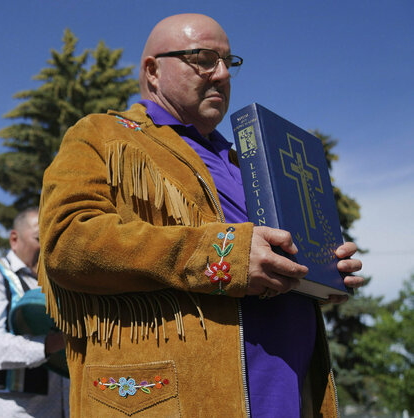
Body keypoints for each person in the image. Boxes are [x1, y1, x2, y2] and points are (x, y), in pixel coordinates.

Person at [37, 13, 364, 417]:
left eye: (229, 62)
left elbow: (271, 262)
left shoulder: (249, 161)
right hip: (173, 400)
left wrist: (321, 269)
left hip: (291, 394)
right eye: (204, 59)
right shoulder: (102, 135)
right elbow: (67, 242)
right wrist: (221, 256)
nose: (223, 74)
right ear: (153, 71)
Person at [0, 208, 69, 417]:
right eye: (39, 238)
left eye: (53, 240)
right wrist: (51, 344)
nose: (47, 247)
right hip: (7, 410)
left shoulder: (59, 285)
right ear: (14, 239)